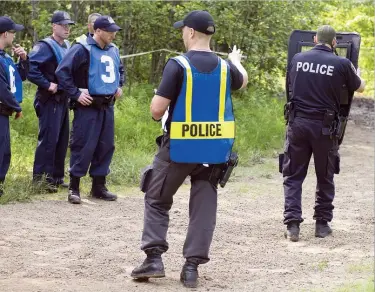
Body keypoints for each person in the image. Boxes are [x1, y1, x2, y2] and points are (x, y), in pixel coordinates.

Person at [130, 10, 248, 289]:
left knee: (157, 198)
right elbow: (242, 80)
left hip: (178, 150)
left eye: (183, 30)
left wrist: (155, 106)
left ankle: (154, 259)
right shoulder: (224, 68)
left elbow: (157, 111)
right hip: (214, 153)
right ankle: (191, 268)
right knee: (203, 208)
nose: (182, 34)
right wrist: (234, 61)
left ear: (191, 32)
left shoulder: (178, 65)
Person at [282, 25, 365, 242]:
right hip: (325, 129)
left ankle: (292, 226)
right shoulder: (342, 63)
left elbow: (290, 88)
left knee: (293, 176)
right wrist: (358, 74)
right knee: (325, 176)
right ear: (334, 43)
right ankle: (321, 225)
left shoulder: (298, 59)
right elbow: (360, 88)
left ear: (315, 39)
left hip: (297, 124)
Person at [55, 15, 124, 204]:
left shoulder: (113, 50)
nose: (113, 35)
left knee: (105, 146)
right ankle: (74, 187)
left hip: (107, 106)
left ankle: (98, 186)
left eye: (114, 31)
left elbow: (120, 70)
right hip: (87, 107)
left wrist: (119, 85)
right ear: (98, 31)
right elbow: (62, 72)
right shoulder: (81, 48)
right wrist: (75, 94)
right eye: (109, 31)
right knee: (83, 145)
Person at [28, 11, 75, 192]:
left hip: (63, 100)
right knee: (49, 139)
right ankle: (41, 179)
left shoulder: (67, 46)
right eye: (62, 25)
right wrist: (47, 84)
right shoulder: (45, 46)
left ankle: (56, 177)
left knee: (62, 139)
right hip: (49, 100)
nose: (66, 28)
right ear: (53, 26)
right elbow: (32, 69)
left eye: (68, 25)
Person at [0, 16, 29, 197]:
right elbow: (1, 88)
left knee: (5, 152)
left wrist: (24, 60)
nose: (14, 35)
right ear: (4, 34)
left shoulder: (6, 57)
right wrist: (16, 107)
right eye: (12, 32)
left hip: (5, 111)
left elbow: (19, 79)